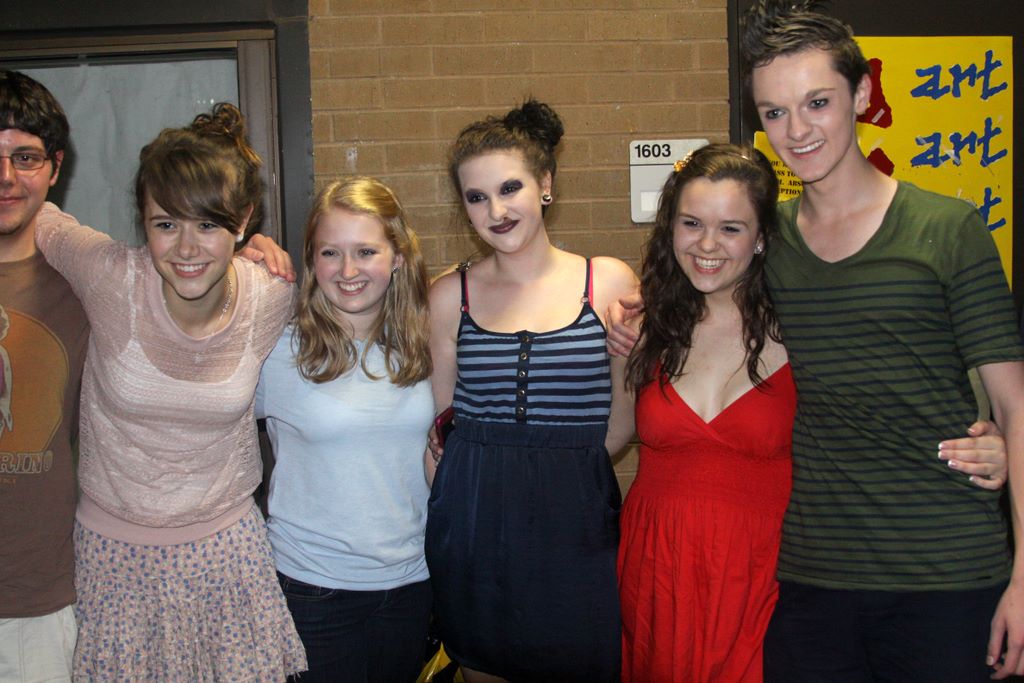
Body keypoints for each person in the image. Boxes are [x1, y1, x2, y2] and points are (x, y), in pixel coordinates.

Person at [611, 1, 1024, 679]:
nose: (797, 130)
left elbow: (1014, 405)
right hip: (811, 583)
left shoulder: (948, 229)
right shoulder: (768, 243)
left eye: (817, 103)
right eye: (774, 112)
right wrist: (641, 313)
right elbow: (701, 271)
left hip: (946, 572)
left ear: (862, 94)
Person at [34, 103, 306, 681]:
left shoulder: (270, 295)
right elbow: (40, 218)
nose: (186, 248)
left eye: (207, 224)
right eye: (166, 224)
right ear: (143, 223)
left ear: (243, 218)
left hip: (227, 555)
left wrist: (252, 246)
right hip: (113, 557)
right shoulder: (112, 278)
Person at [424, 99, 638, 683]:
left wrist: (558, 469)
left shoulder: (607, 281)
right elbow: (442, 425)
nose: (495, 210)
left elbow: (622, 422)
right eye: (476, 197)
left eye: (510, 188)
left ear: (545, 183)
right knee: (483, 664)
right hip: (472, 523)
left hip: (575, 521)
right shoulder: (449, 296)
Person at [617, 143, 793, 683]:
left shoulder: (804, 329)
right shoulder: (645, 329)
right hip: (657, 567)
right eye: (691, 223)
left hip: (763, 570)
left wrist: (984, 444)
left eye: (730, 228)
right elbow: (606, 439)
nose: (707, 245)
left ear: (761, 237)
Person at [256, 176, 434, 683]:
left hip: (412, 582)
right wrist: (235, 268)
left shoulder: (426, 346)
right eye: (330, 252)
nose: (348, 271)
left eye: (366, 251)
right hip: (312, 589)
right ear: (312, 261)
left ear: (398, 257)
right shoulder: (276, 350)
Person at [0, 69, 87, 683]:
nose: (5, 176)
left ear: (54, 168)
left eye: (24, 157)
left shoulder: (90, 288)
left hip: (42, 609)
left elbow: (189, 265)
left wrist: (247, 253)